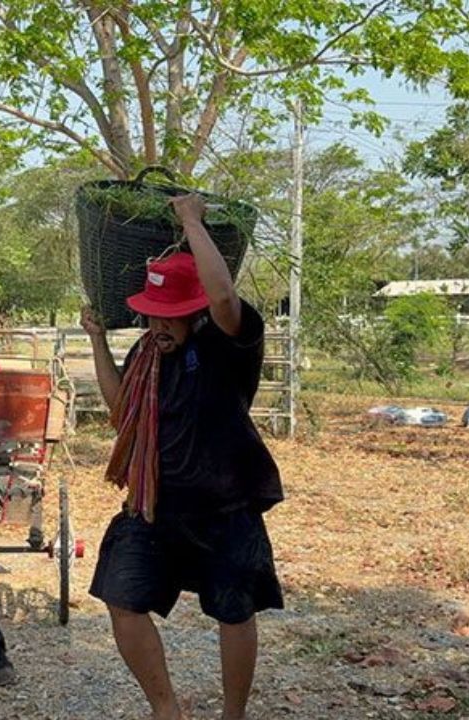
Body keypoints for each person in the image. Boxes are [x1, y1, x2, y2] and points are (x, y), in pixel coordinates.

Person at [82, 194, 284, 720]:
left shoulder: (227, 344)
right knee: (120, 596)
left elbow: (223, 296)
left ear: (194, 313)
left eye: (169, 316)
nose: (158, 325)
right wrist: (98, 341)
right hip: (155, 505)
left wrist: (191, 221)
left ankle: (233, 716)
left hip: (226, 507)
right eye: (152, 314)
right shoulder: (147, 352)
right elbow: (121, 408)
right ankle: (166, 710)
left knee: (234, 612)